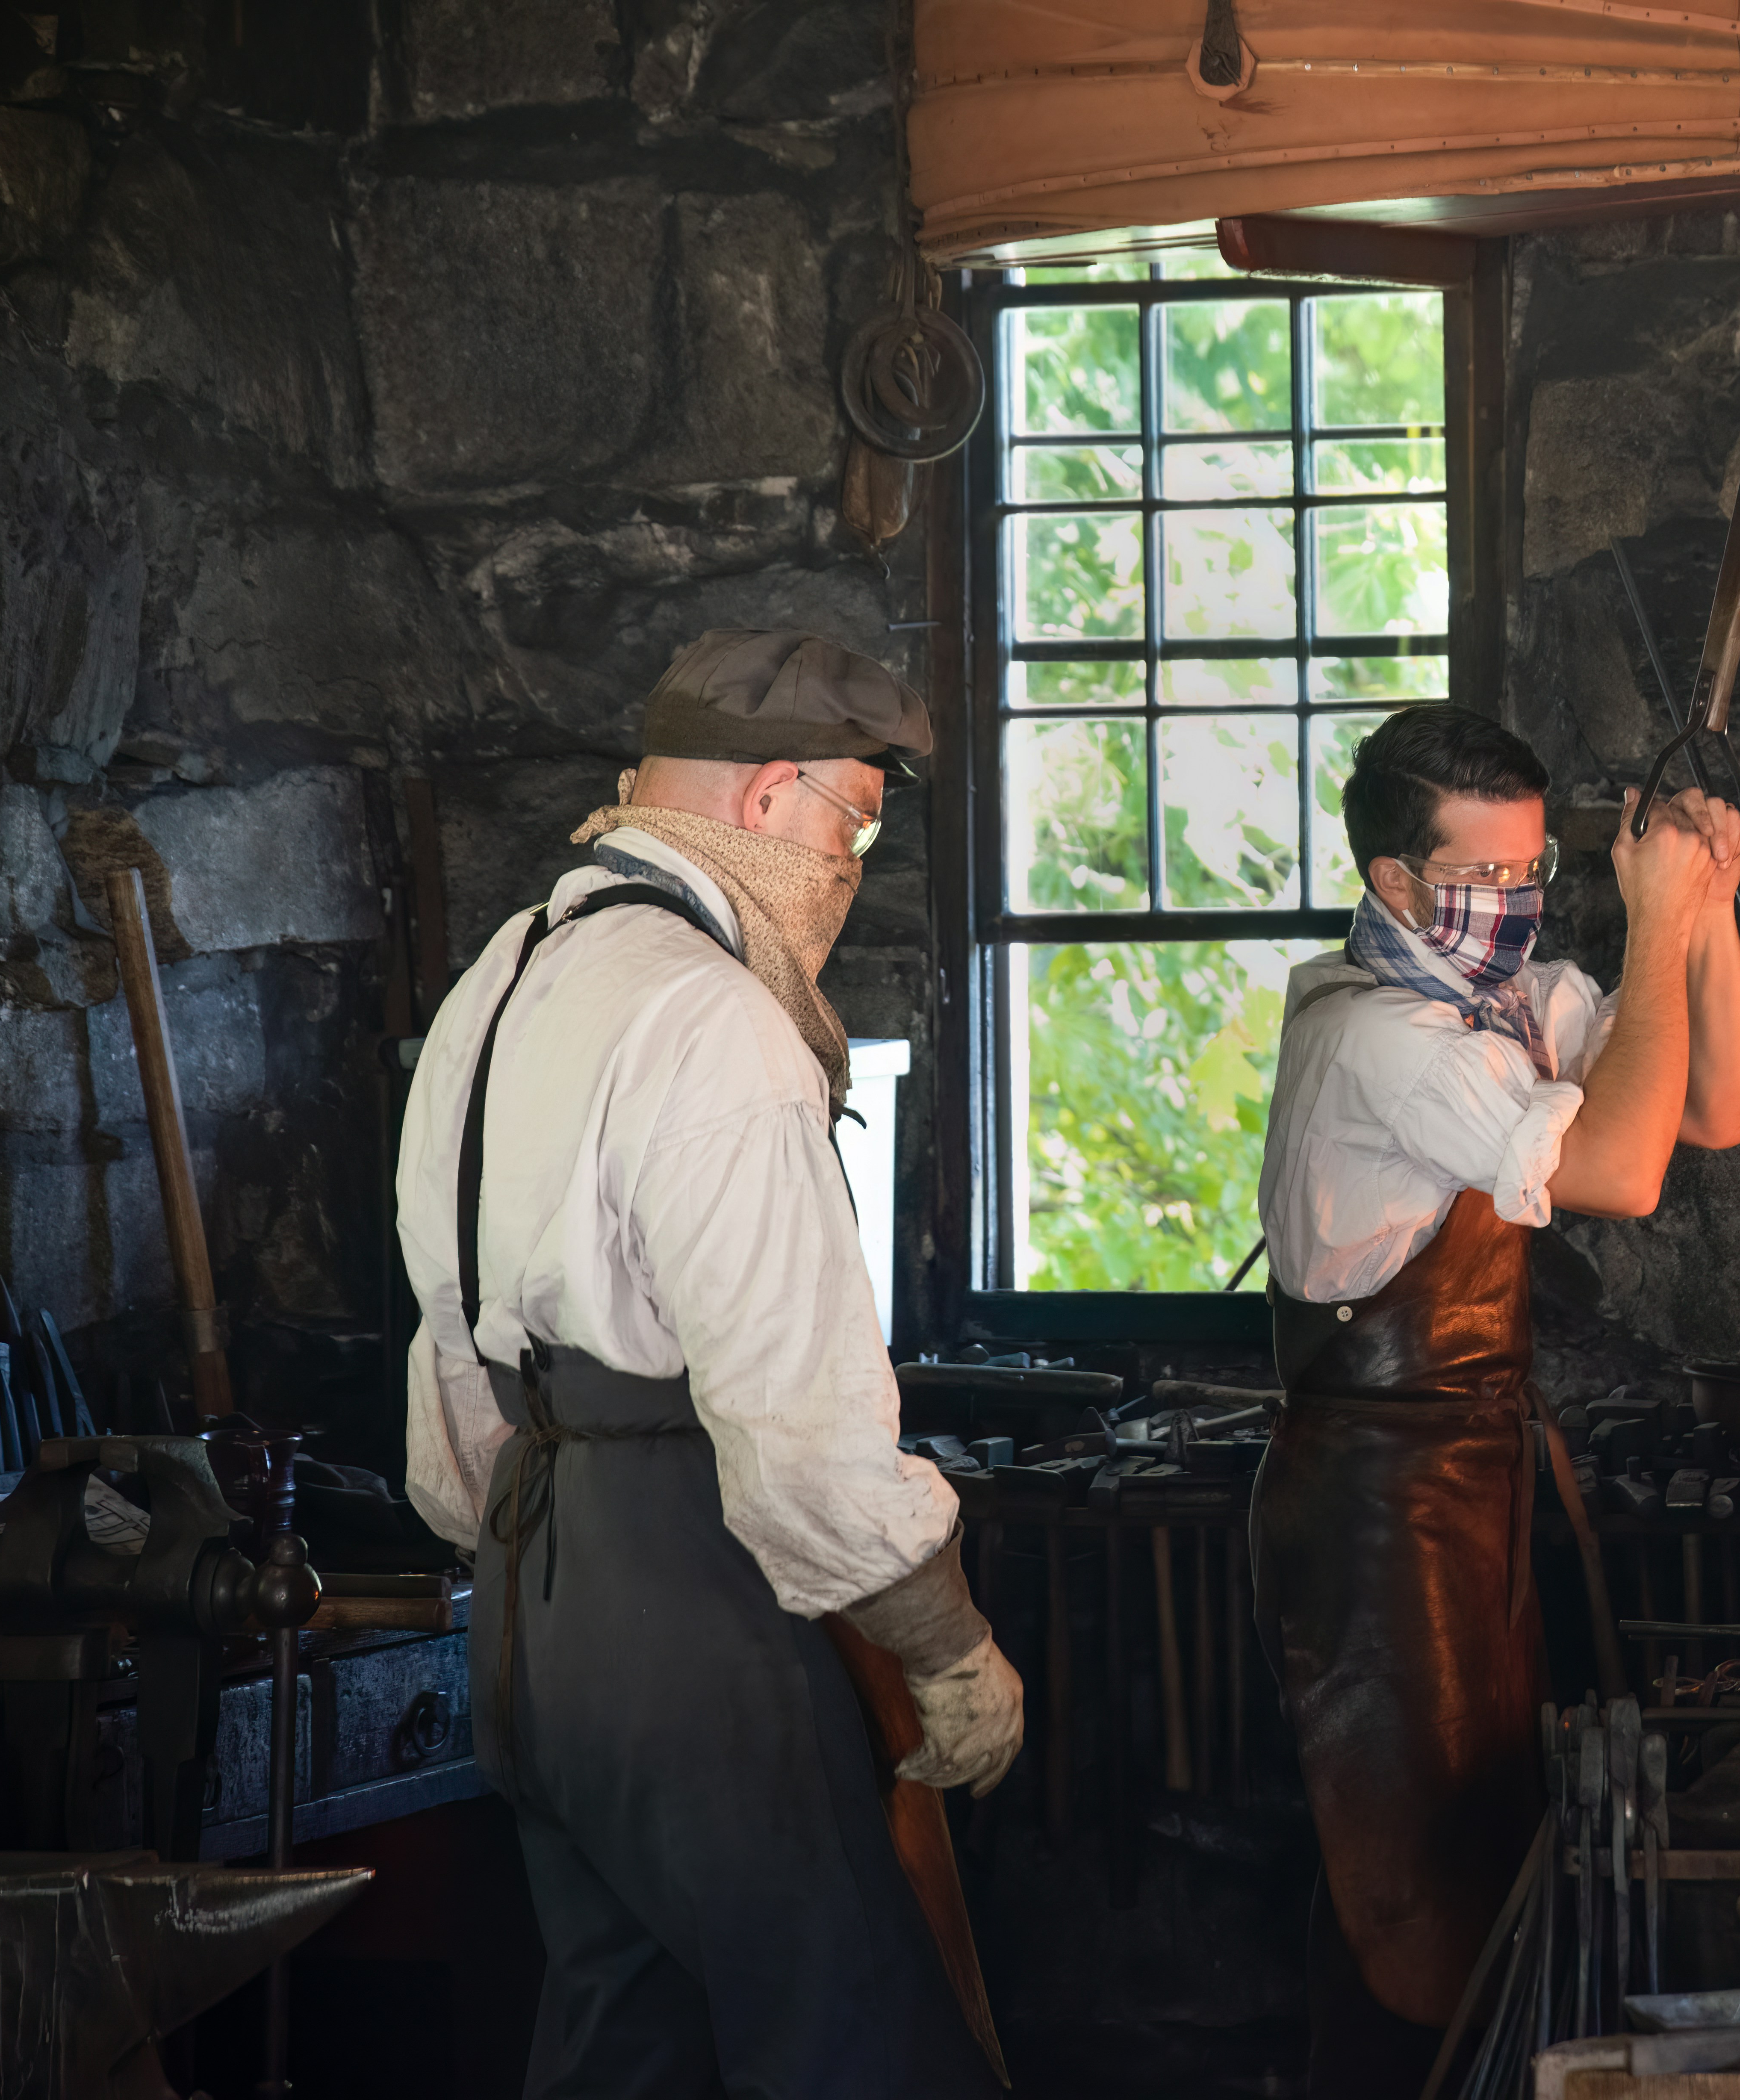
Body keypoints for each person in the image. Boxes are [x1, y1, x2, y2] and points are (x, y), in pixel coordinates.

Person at [395, 628, 1021, 2097]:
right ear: (770, 798)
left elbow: (452, 1347)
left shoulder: (502, 978)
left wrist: (532, 1568)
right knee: (844, 2044)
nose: (852, 866)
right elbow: (800, 1429)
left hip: (532, 1610)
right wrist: (943, 1643)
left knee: (630, 2046)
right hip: (690, 1614)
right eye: (855, 826)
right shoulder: (716, 1022)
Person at [1250, 704, 1740, 2094]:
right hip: (1377, 1518)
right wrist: (1654, 926)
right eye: (1484, 877)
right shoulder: (1392, 1040)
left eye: (1533, 869)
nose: (1520, 900)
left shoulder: (1510, 1004)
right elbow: (1625, 1175)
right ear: (1396, 881)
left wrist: (1705, 911)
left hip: (1472, 1489)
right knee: (1411, 1885)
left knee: (1485, 1849)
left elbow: (1713, 1108)